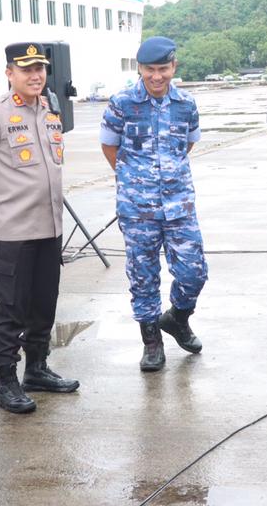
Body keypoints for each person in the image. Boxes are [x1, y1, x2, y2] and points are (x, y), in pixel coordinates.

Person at [0, 43, 79, 415]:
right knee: (10, 309)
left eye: (40, 69)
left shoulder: (50, 110)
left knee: (44, 303)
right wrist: (6, 197)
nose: (36, 76)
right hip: (13, 231)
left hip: (50, 227)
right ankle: (5, 382)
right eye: (27, 69)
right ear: (9, 73)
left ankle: (37, 369)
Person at [100, 36, 209, 372]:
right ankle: (151, 342)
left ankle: (177, 317)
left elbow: (187, 144)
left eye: (163, 69)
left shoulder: (186, 104)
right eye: (150, 69)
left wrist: (167, 177)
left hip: (179, 204)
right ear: (140, 69)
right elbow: (110, 148)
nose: (157, 76)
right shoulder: (121, 104)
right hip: (137, 208)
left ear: (174, 67)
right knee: (143, 275)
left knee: (194, 272)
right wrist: (137, 180)